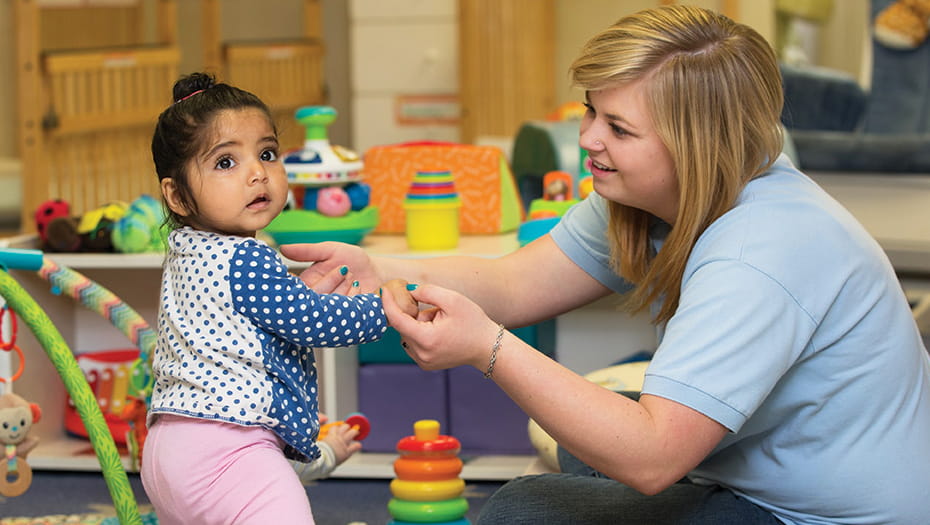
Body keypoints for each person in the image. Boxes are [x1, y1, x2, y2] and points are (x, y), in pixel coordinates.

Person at [282, 5, 930, 524]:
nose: (589, 137)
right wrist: (381, 270)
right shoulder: (660, 193)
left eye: (619, 129)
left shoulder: (759, 252)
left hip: (819, 513)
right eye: (592, 109)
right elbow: (514, 282)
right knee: (581, 438)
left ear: (696, 145)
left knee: (523, 509)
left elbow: (651, 459)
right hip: (758, 462)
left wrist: (486, 347)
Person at [142, 72, 417, 524]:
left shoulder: (186, 252)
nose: (257, 173)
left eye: (267, 154)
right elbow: (315, 321)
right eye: (226, 162)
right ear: (177, 195)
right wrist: (383, 308)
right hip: (226, 450)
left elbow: (244, 329)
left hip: (167, 448)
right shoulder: (246, 258)